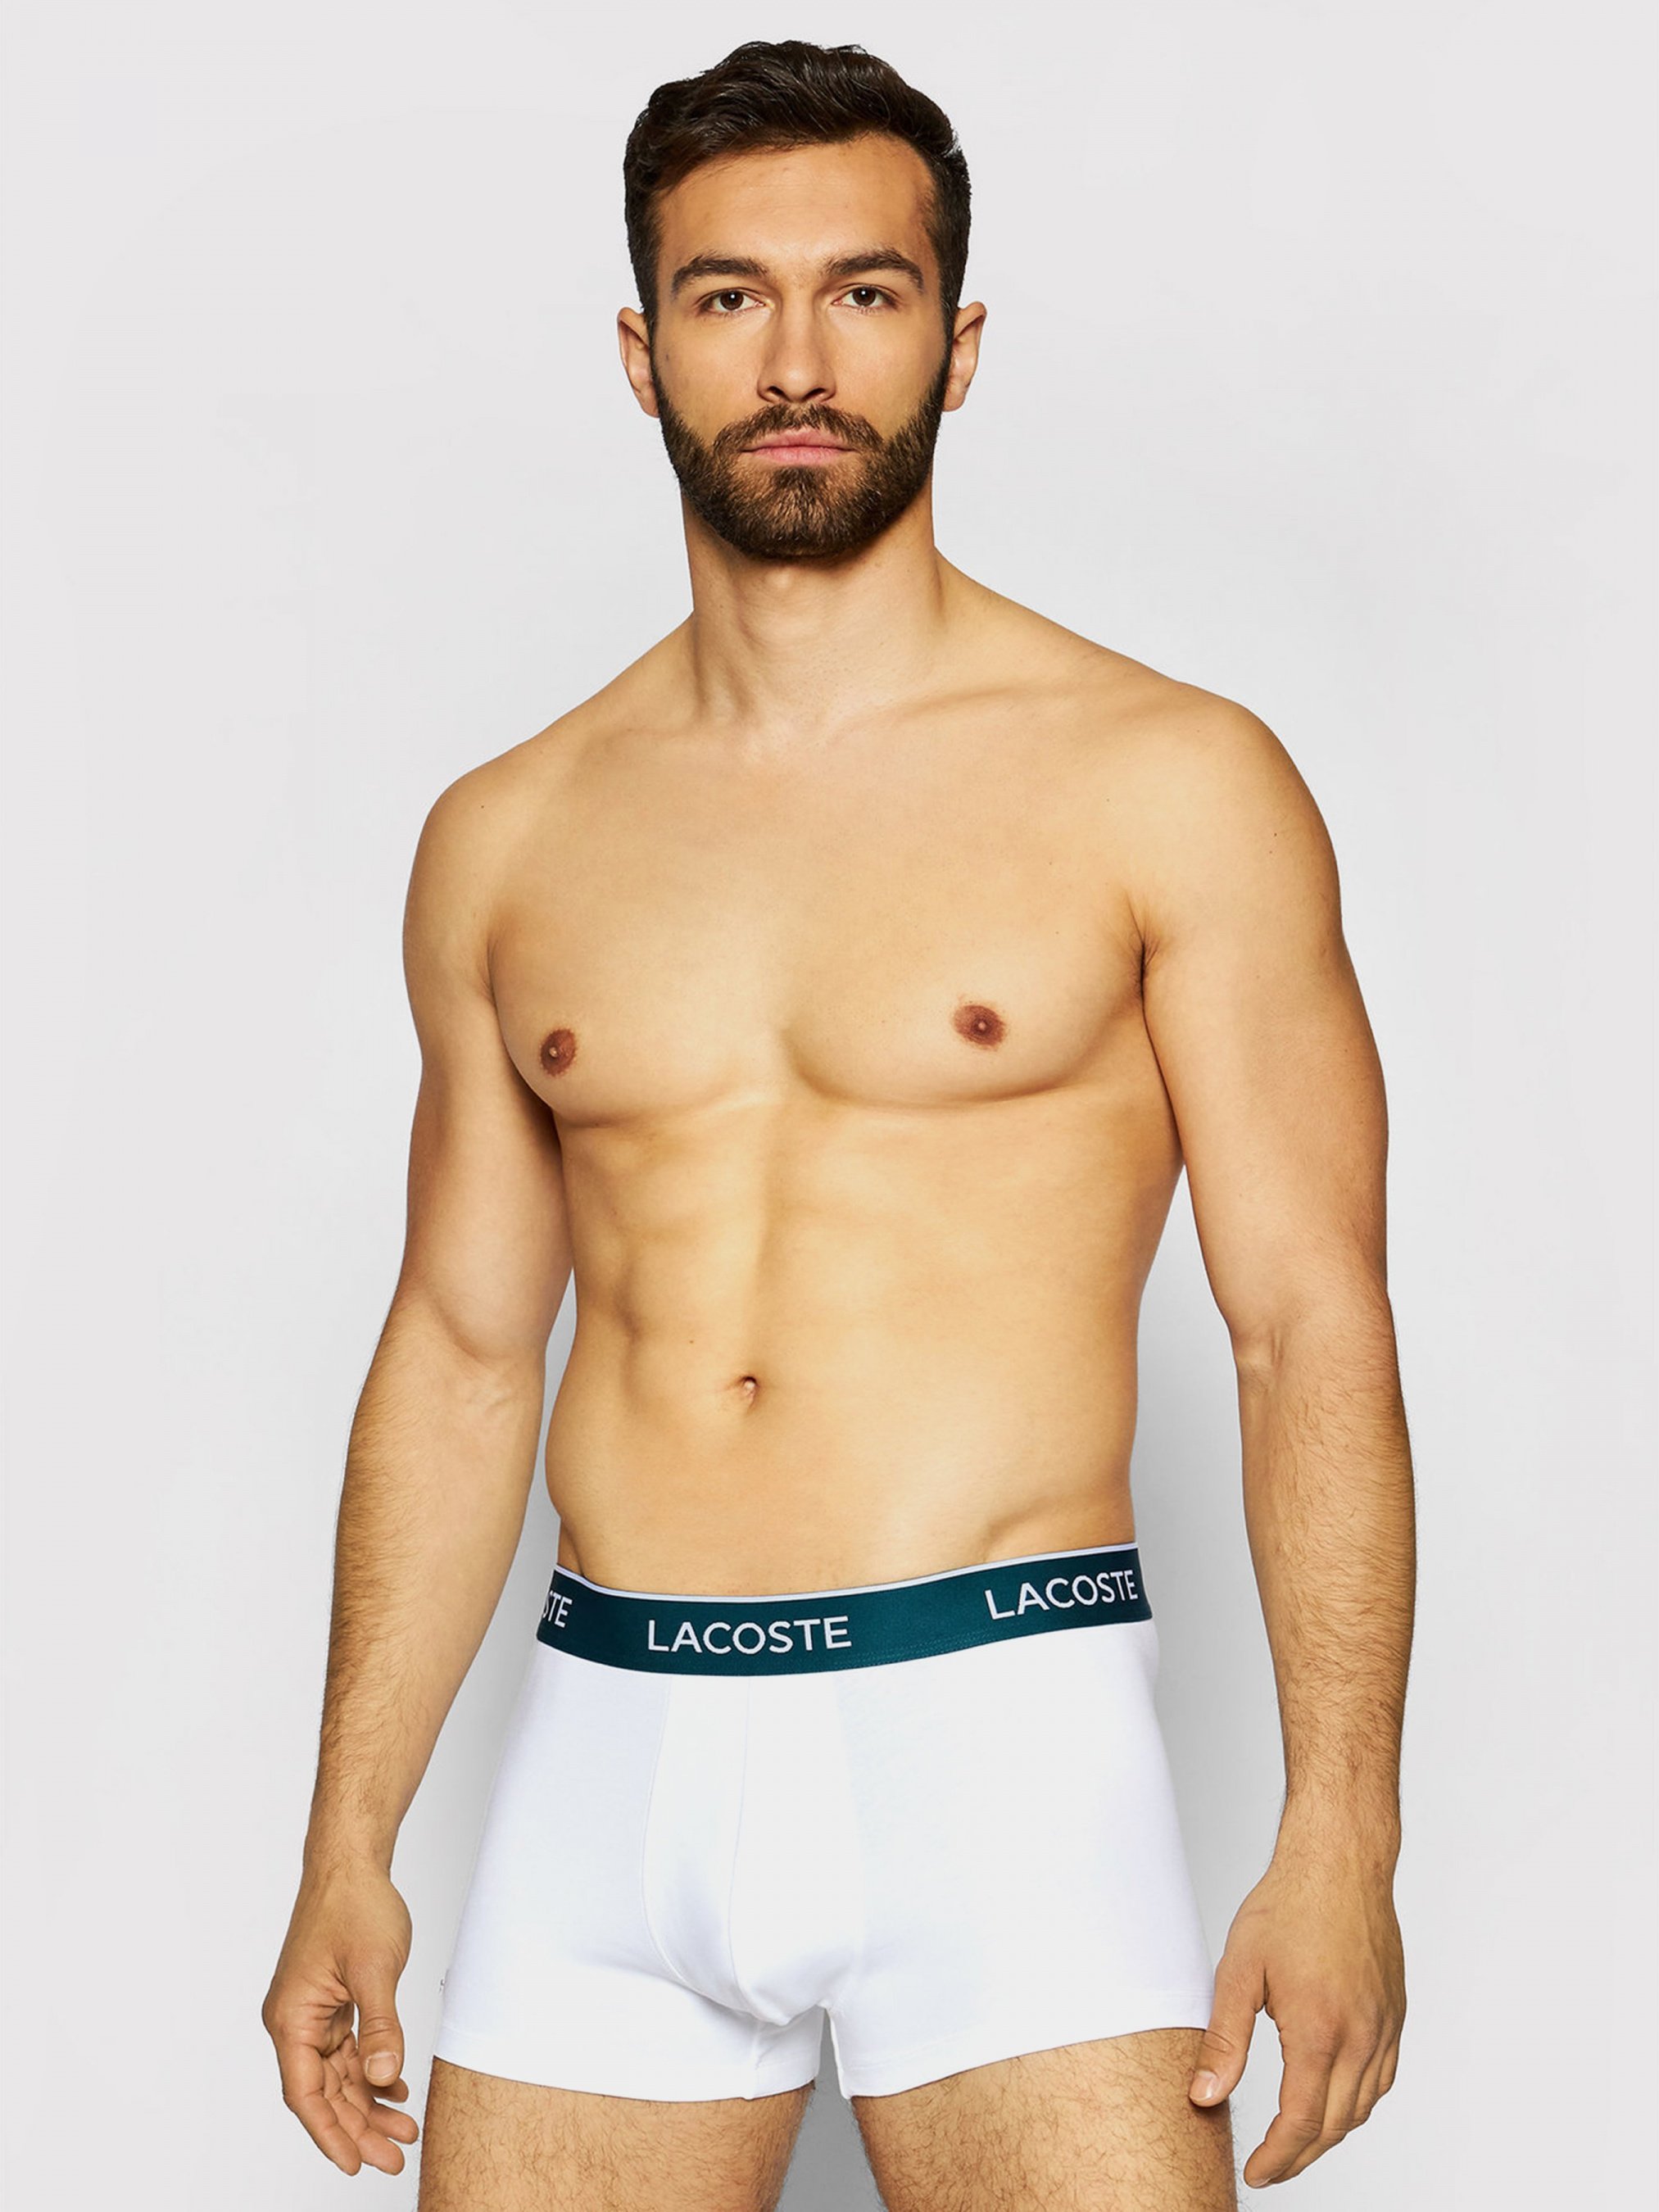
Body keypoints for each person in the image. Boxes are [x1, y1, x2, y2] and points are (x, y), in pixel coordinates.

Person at [261, 37, 1412, 2212]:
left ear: (955, 345)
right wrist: (350, 1831)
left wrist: (1341, 1829)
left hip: (999, 1738)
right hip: (608, 1751)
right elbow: (464, 1345)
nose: (796, 360)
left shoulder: (1167, 782)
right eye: (729, 296)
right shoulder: (510, 834)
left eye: (863, 293)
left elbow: (1305, 1324)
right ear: (642, 351)